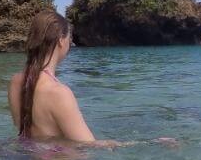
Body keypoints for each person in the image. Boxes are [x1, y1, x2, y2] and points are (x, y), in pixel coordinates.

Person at [8, 10, 122, 146]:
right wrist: (121, 144)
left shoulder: (15, 82)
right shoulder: (59, 93)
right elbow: (88, 145)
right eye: (70, 39)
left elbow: (21, 127)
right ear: (61, 40)